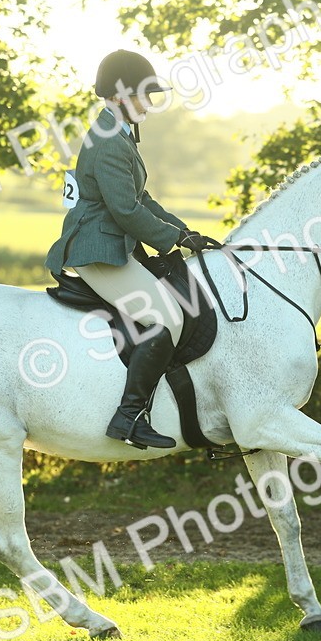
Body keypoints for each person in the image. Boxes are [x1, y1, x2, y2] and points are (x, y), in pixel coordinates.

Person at [44, 49, 211, 450]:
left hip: (111, 244)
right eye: (144, 96)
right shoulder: (109, 141)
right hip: (98, 250)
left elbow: (143, 198)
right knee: (167, 318)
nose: (150, 105)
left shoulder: (115, 134)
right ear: (120, 96)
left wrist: (183, 231)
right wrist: (170, 240)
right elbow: (125, 210)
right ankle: (130, 416)